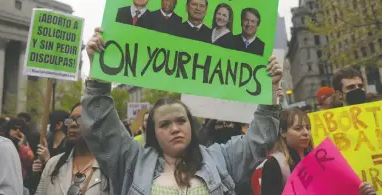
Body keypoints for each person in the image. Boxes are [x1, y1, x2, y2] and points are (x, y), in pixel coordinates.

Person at [81, 27, 283, 194]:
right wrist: (97, 73)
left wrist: (270, 92)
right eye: (165, 124)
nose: (175, 129)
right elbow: (101, 128)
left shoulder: (220, 158)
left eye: (181, 121)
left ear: (191, 124)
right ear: (153, 132)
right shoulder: (132, 162)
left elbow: (259, 141)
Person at [259, 108, 376, 195]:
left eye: (308, 128)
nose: (306, 132)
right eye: (298, 128)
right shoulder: (274, 165)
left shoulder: (322, 159)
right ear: (283, 132)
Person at [34, 103, 109, 195]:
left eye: (81, 119)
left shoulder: (112, 170)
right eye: (71, 120)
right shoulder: (53, 164)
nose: (73, 124)